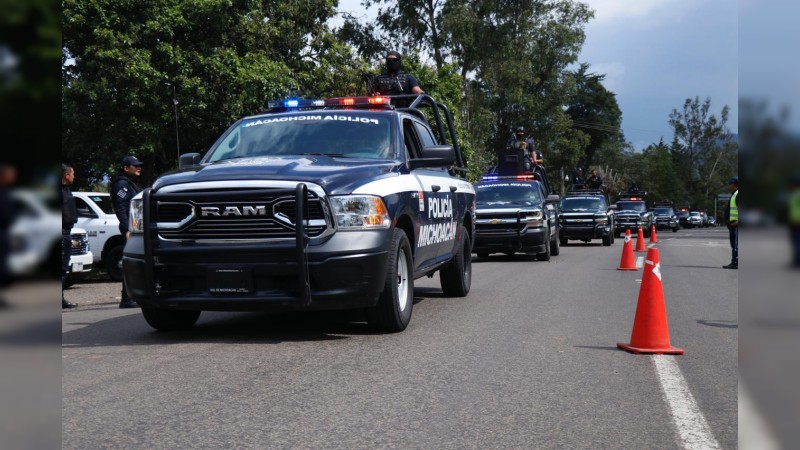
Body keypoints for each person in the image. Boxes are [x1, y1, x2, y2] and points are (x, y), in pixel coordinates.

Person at [112, 155, 144, 308]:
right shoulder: (122, 184)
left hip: (136, 228)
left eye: (139, 165)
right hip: (130, 230)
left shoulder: (131, 183)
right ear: (125, 168)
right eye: (135, 165)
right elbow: (120, 208)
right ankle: (126, 298)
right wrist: (126, 229)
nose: (139, 167)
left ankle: (132, 296)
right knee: (131, 262)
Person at [61, 164, 78, 309]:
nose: (74, 176)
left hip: (67, 231)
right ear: (66, 175)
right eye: (72, 174)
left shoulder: (66, 190)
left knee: (63, 267)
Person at [723, 176, 738, 269]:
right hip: (732, 224)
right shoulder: (734, 194)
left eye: (730, 184)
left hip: (736, 224)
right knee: (734, 244)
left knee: (736, 244)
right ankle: (734, 261)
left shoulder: (737, 194)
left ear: (735, 184)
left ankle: (735, 262)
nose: (729, 185)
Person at [790, 176, 800, 268]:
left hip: (797, 222)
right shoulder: (794, 194)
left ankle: (797, 262)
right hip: (794, 221)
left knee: (797, 242)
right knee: (795, 242)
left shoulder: (797, 194)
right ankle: (796, 261)